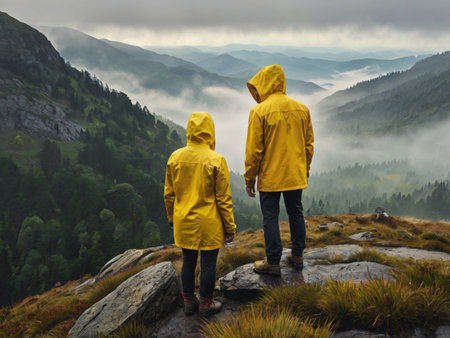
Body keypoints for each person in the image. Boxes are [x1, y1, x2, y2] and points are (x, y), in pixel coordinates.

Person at [164, 112, 236, 316]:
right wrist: (230, 227)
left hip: (184, 221)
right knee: (208, 263)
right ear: (210, 132)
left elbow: (169, 194)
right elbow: (223, 199)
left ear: (189, 131)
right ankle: (205, 303)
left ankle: (188, 301)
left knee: (188, 261)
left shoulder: (175, 157)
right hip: (208, 223)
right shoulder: (217, 160)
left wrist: (171, 218)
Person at [244, 64, 314, 276]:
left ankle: (273, 262)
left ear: (264, 84)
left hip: (270, 176)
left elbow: (254, 151)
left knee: (270, 217)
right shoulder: (302, 109)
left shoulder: (259, 112)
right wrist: (305, 169)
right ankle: (298, 255)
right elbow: (308, 145)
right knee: (296, 212)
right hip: (295, 173)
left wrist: (250, 178)